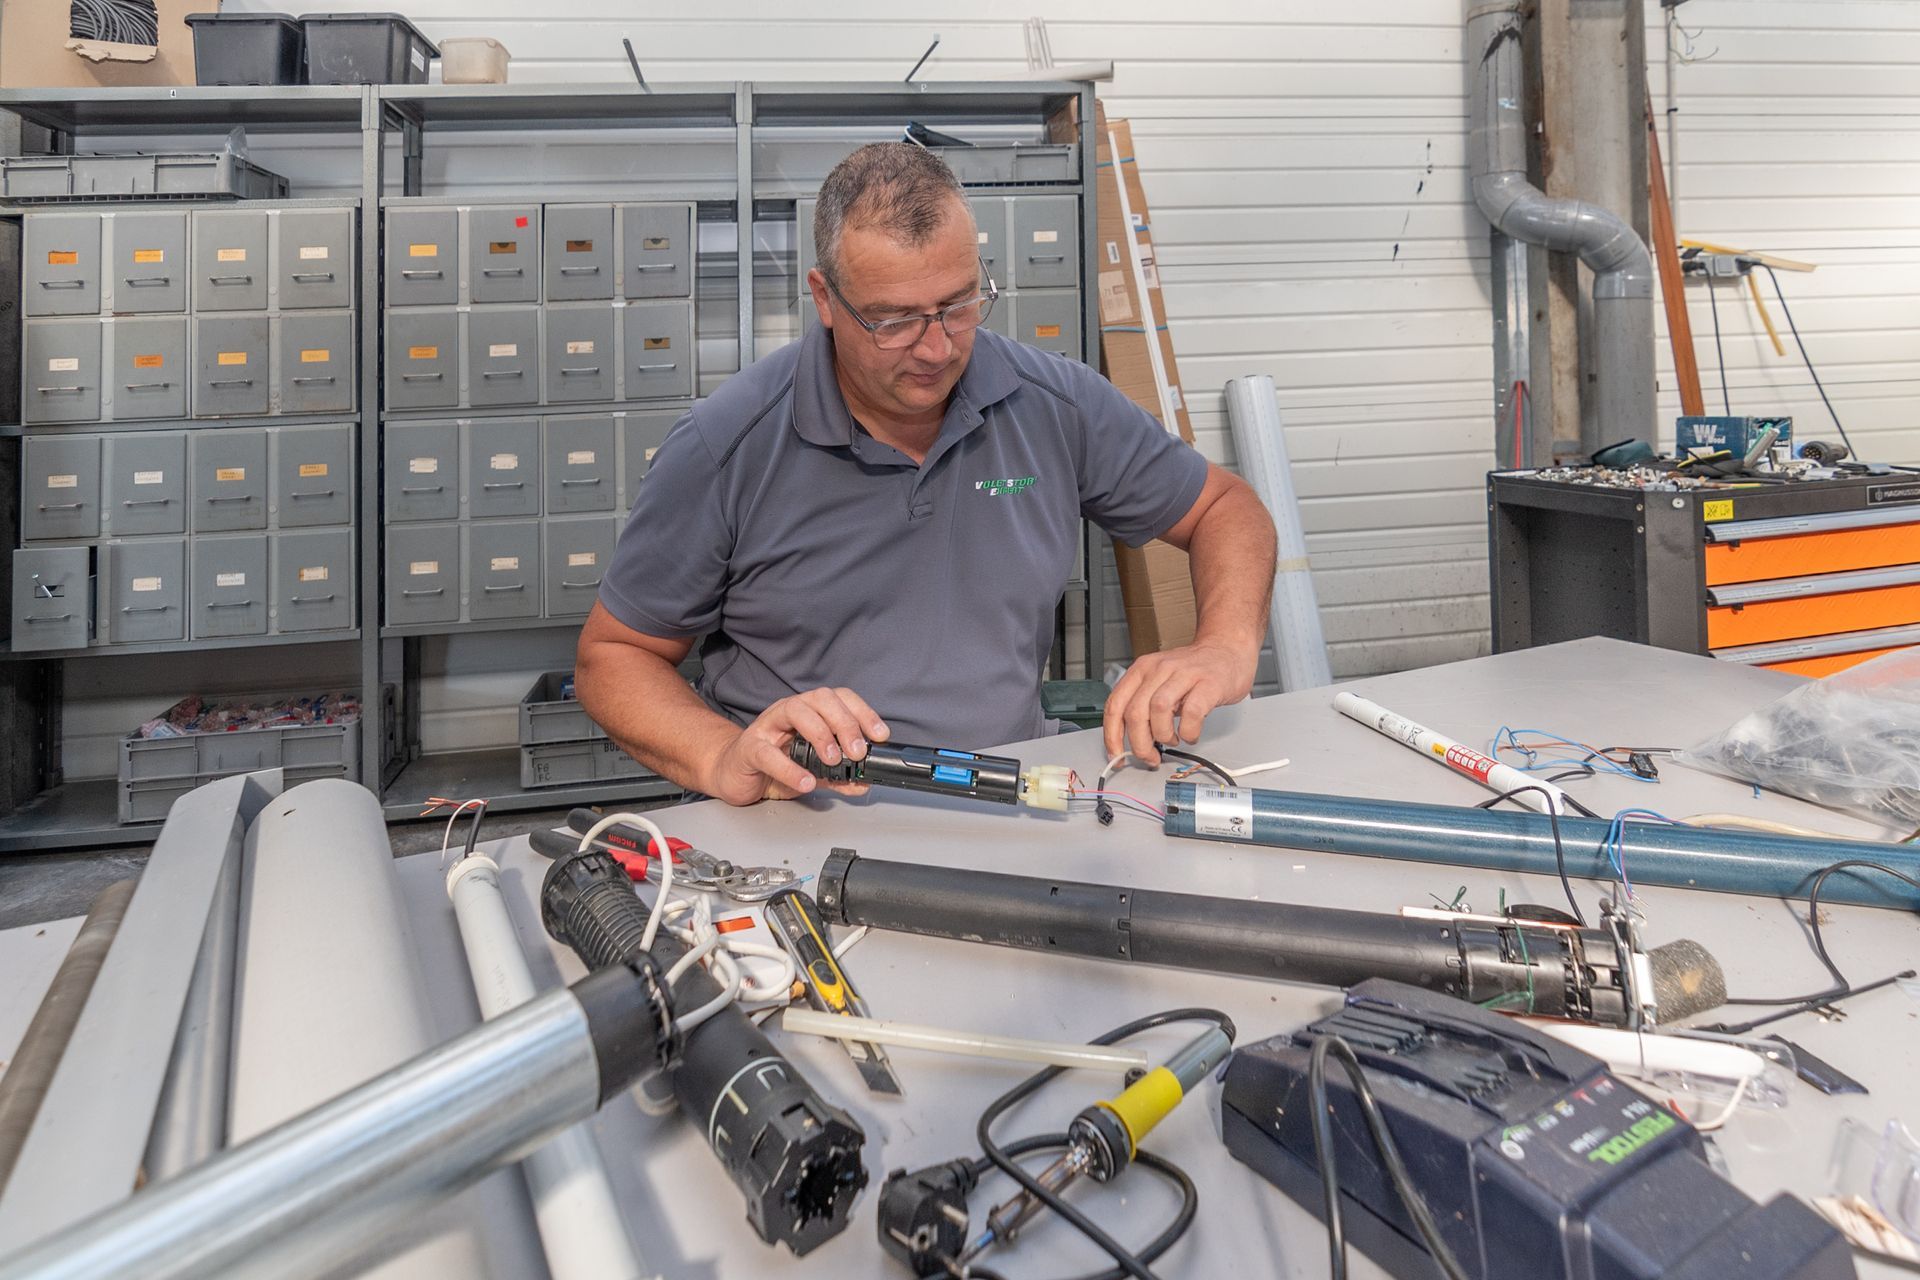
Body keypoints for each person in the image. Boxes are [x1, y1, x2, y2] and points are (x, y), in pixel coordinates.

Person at [576, 142, 1277, 806]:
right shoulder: (727, 443)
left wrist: (1223, 643)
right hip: (807, 810)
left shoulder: (1052, 403)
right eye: (894, 321)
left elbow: (1224, 508)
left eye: (959, 304)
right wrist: (722, 755)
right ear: (825, 299)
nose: (937, 348)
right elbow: (613, 657)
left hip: (1016, 793)